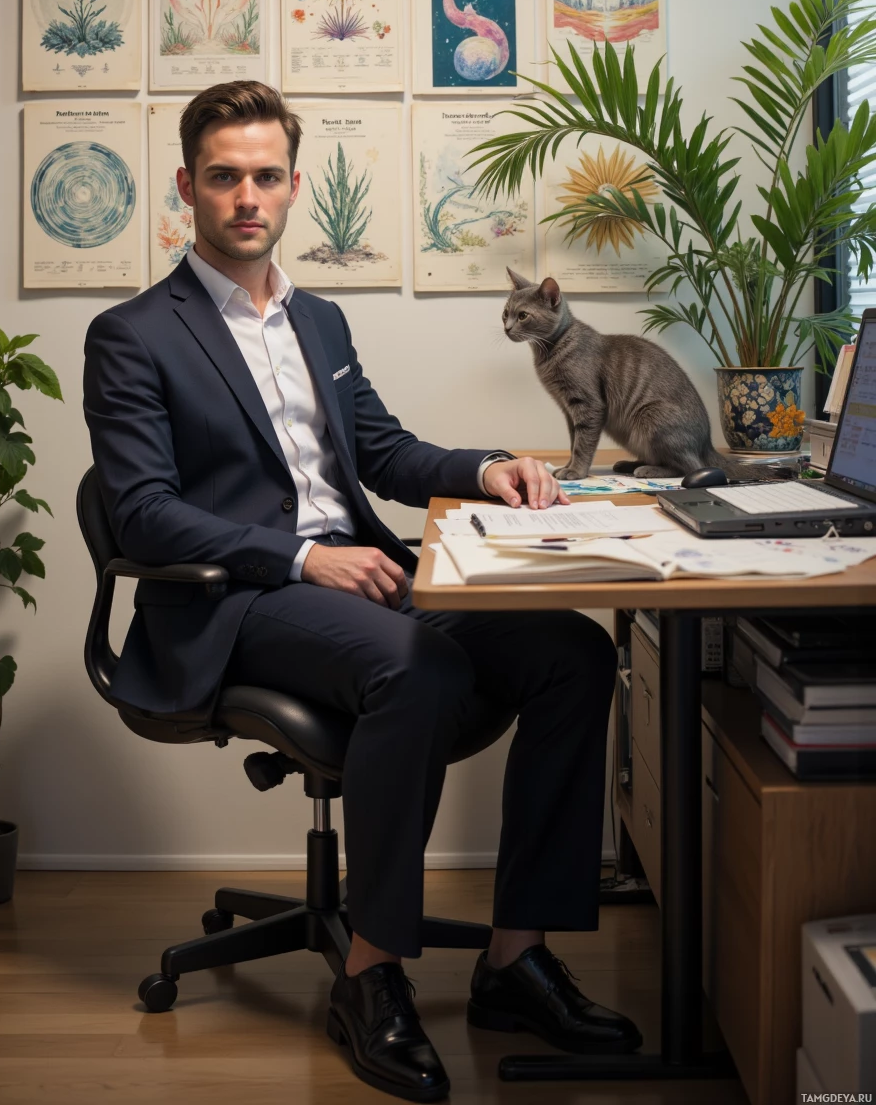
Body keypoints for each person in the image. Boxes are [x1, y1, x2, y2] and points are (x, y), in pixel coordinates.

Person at [83, 80, 641, 1102]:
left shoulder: (321, 321)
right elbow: (143, 514)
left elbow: (379, 451)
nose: (245, 196)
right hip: (234, 602)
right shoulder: (132, 334)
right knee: (416, 667)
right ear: (186, 188)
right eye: (223, 177)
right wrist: (301, 559)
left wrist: (488, 471)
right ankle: (369, 973)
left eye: (263, 176)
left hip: (361, 577)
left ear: (293, 186)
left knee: (571, 651)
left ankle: (515, 960)